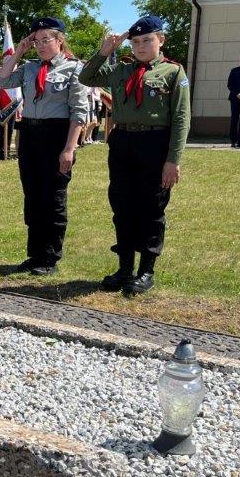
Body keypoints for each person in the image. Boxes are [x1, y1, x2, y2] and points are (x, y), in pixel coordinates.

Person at [78, 16, 191, 296]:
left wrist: (173, 159)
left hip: (155, 142)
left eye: (147, 40)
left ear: (160, 40)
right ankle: (125, 268)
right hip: (123, 140)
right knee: (123, 205)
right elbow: (86, 77)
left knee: (151, 207)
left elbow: (181, 118)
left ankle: (146, 271)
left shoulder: (173, 72)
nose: (140, 46)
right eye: (136, 41)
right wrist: (105, 50)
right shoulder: (121, 70)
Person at [0, 16, 87, 275]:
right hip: (30, 135)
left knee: (53, 197)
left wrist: (69, 148)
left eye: (46, 39)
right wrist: (19, 52)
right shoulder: (29, 67)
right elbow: (2, 81)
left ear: (59, 41)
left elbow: (78, 112)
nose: (41, 45)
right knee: (33, 196)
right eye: (36, 41)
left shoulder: (73, 69)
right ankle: (35, 254)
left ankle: (50, 257)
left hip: (56, 135)